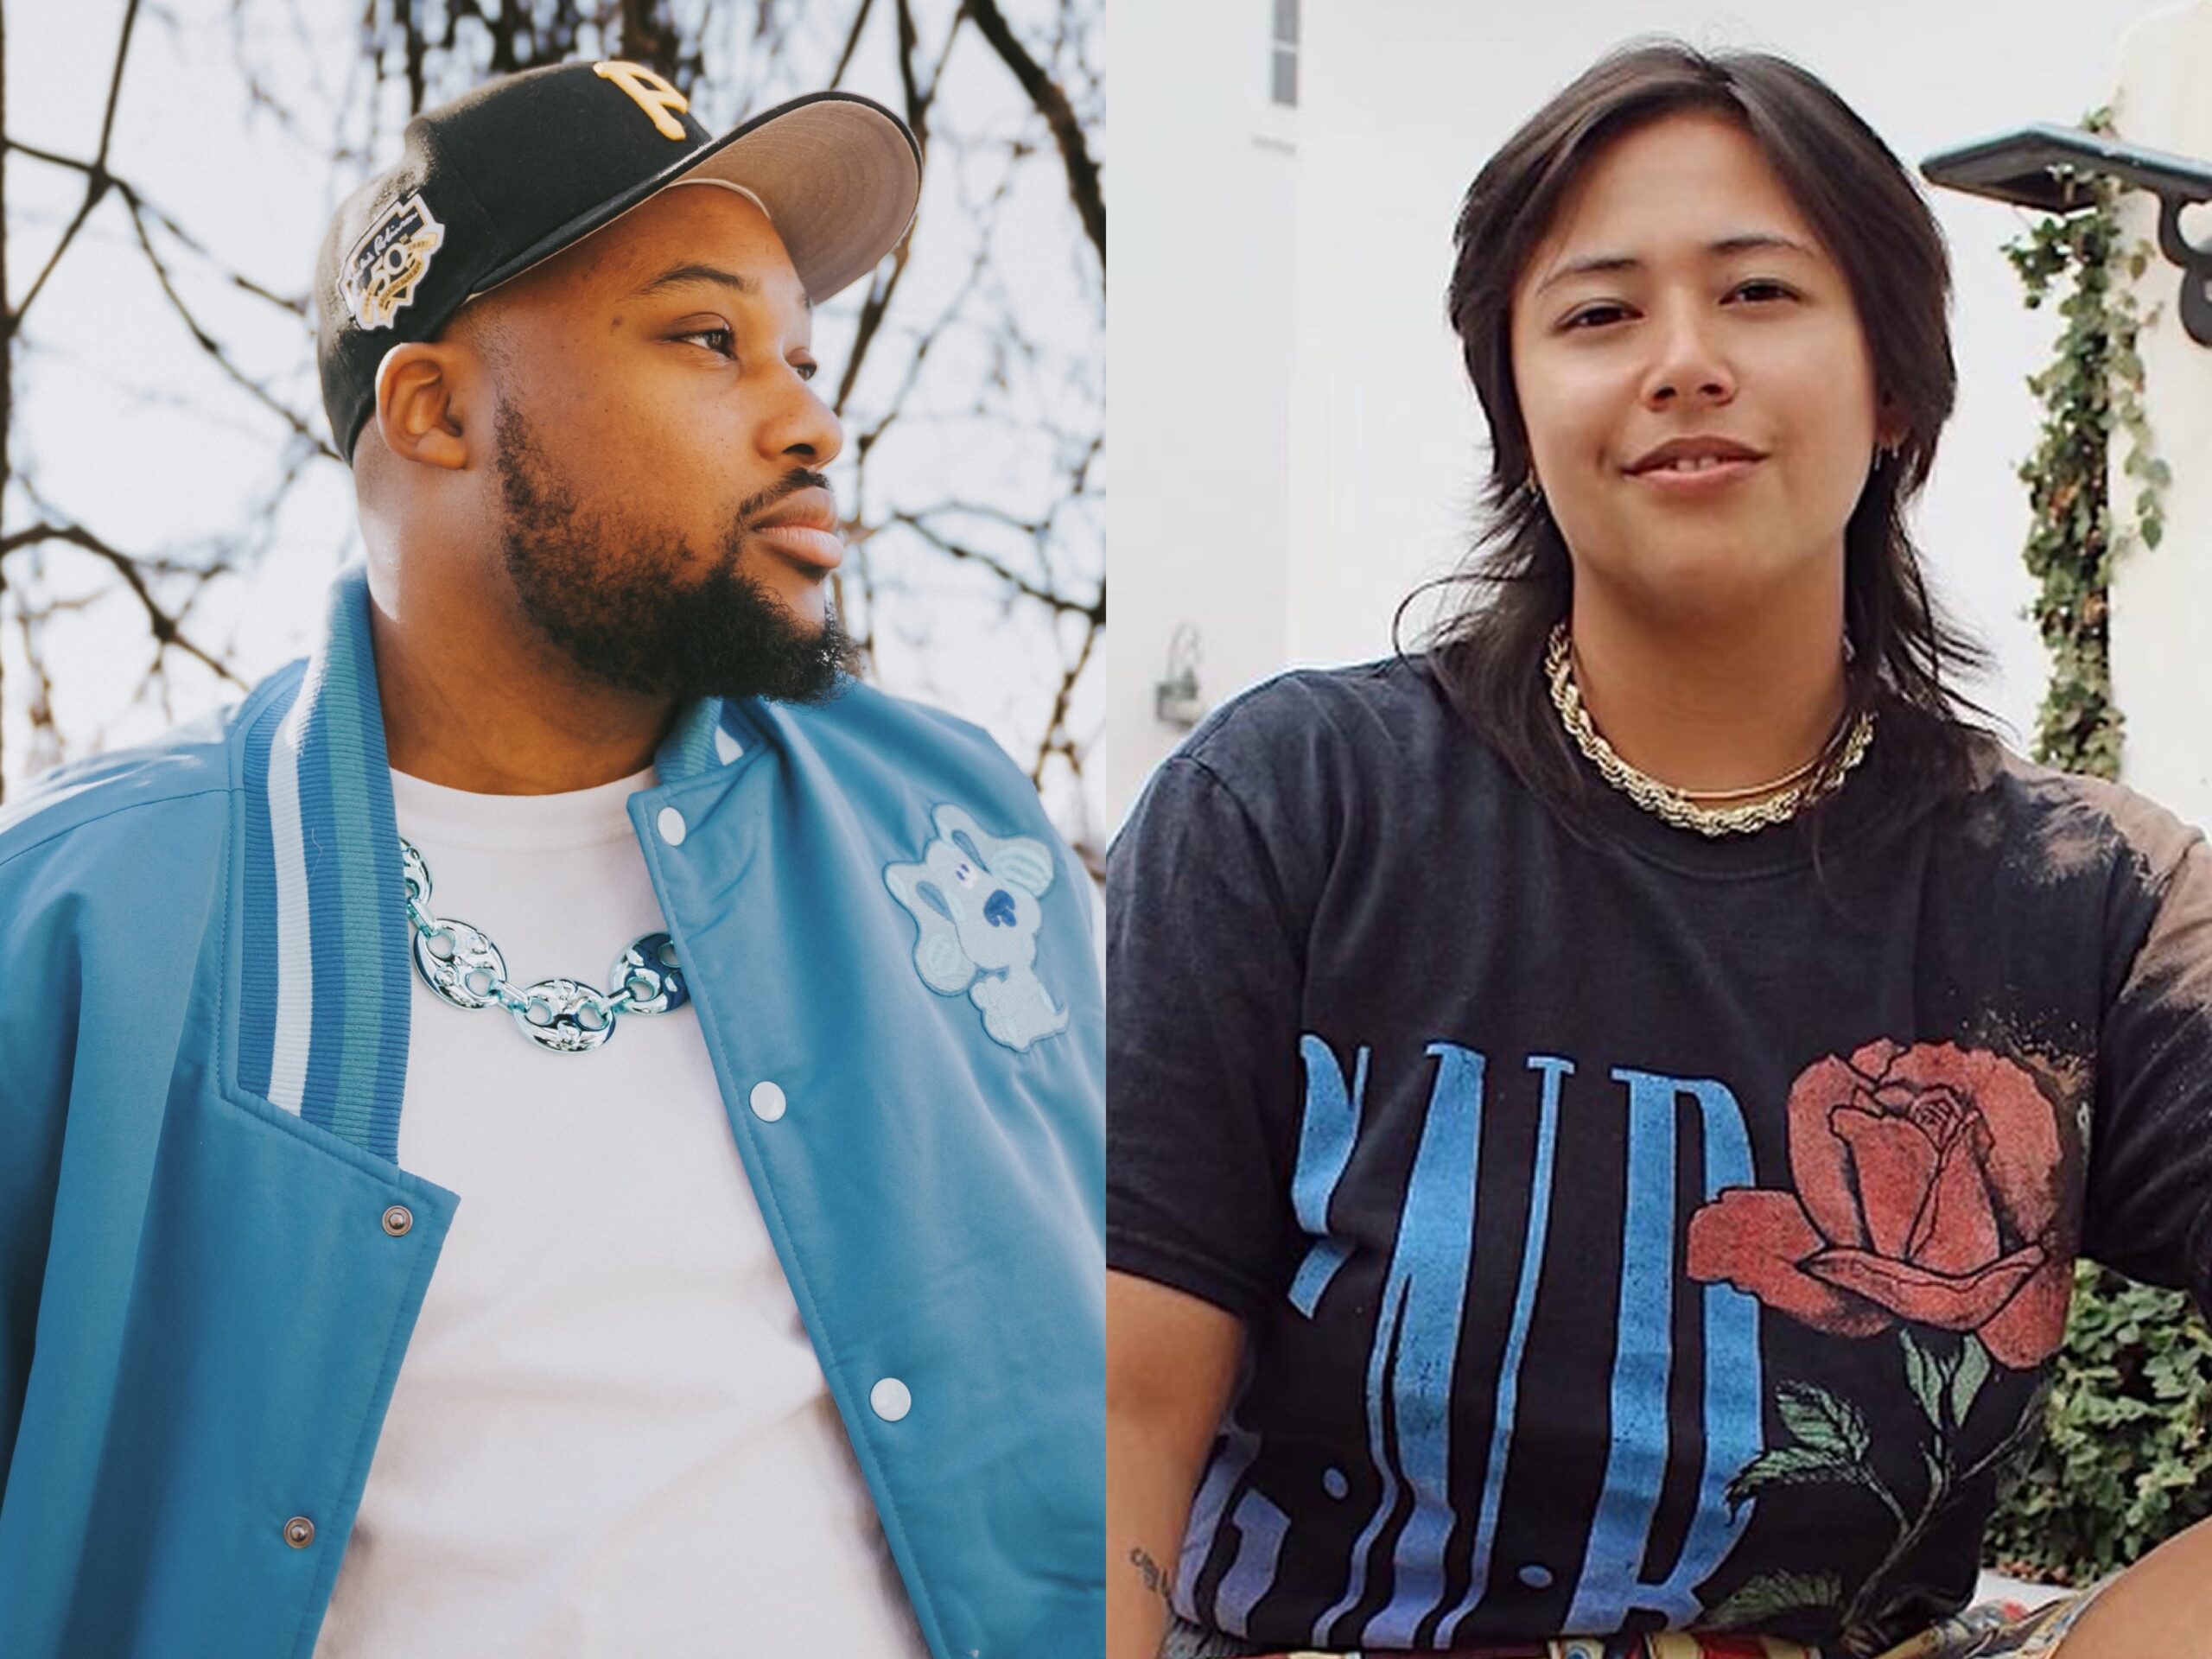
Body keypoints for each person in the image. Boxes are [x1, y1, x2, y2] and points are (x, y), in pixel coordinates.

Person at [1107, 38, 2212, 1659]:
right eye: (1599, 313)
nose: (1683, 362)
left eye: (1760, 295)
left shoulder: (2084, 899)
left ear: (1891, 382)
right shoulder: (1294, 805)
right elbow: (1116, 1419)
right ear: (1519, 405)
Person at [0, 57, 1102, 1658]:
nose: (811, 419)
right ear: (435, 409)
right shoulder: (90, 917)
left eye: (800, 352)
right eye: (708, 339)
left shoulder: (957, 833)